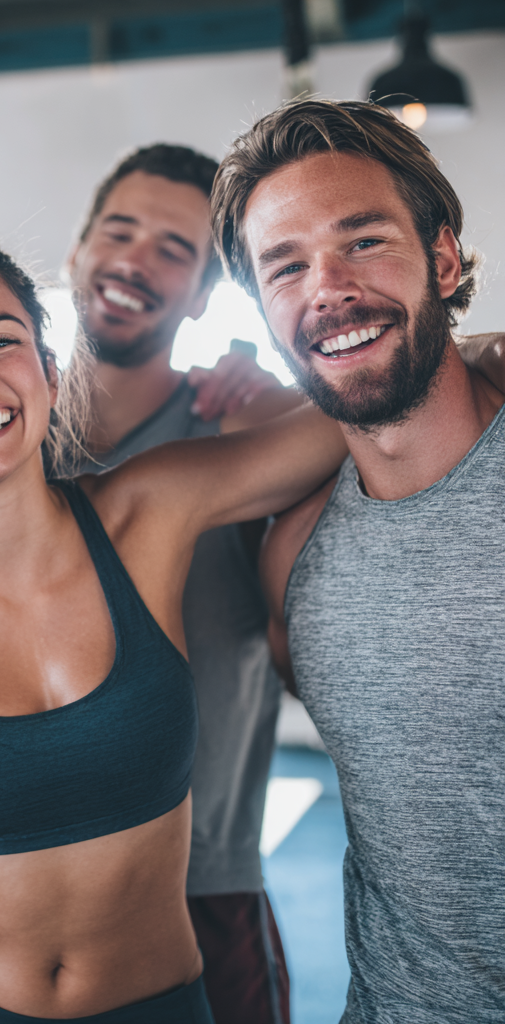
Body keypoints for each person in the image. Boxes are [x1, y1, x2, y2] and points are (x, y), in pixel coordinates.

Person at [0, 233, 348, 1024]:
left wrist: (471, 351)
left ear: (49, 373)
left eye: (1, 342)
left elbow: (338, 425)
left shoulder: (152, 511)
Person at [211, 99, 505, 1022]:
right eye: (285, 266)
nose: (326, 287)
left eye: (365, 241)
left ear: (445, 260)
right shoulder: (296, 559)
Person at [66, 143, 295, 1023]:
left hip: (201, 890)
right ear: (80, 251)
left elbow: (370, 412)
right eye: (119, 231)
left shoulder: (241, 430)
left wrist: (293, 382)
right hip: (23, 891)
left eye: (173, 247)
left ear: (203, 293)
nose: (133, 258)